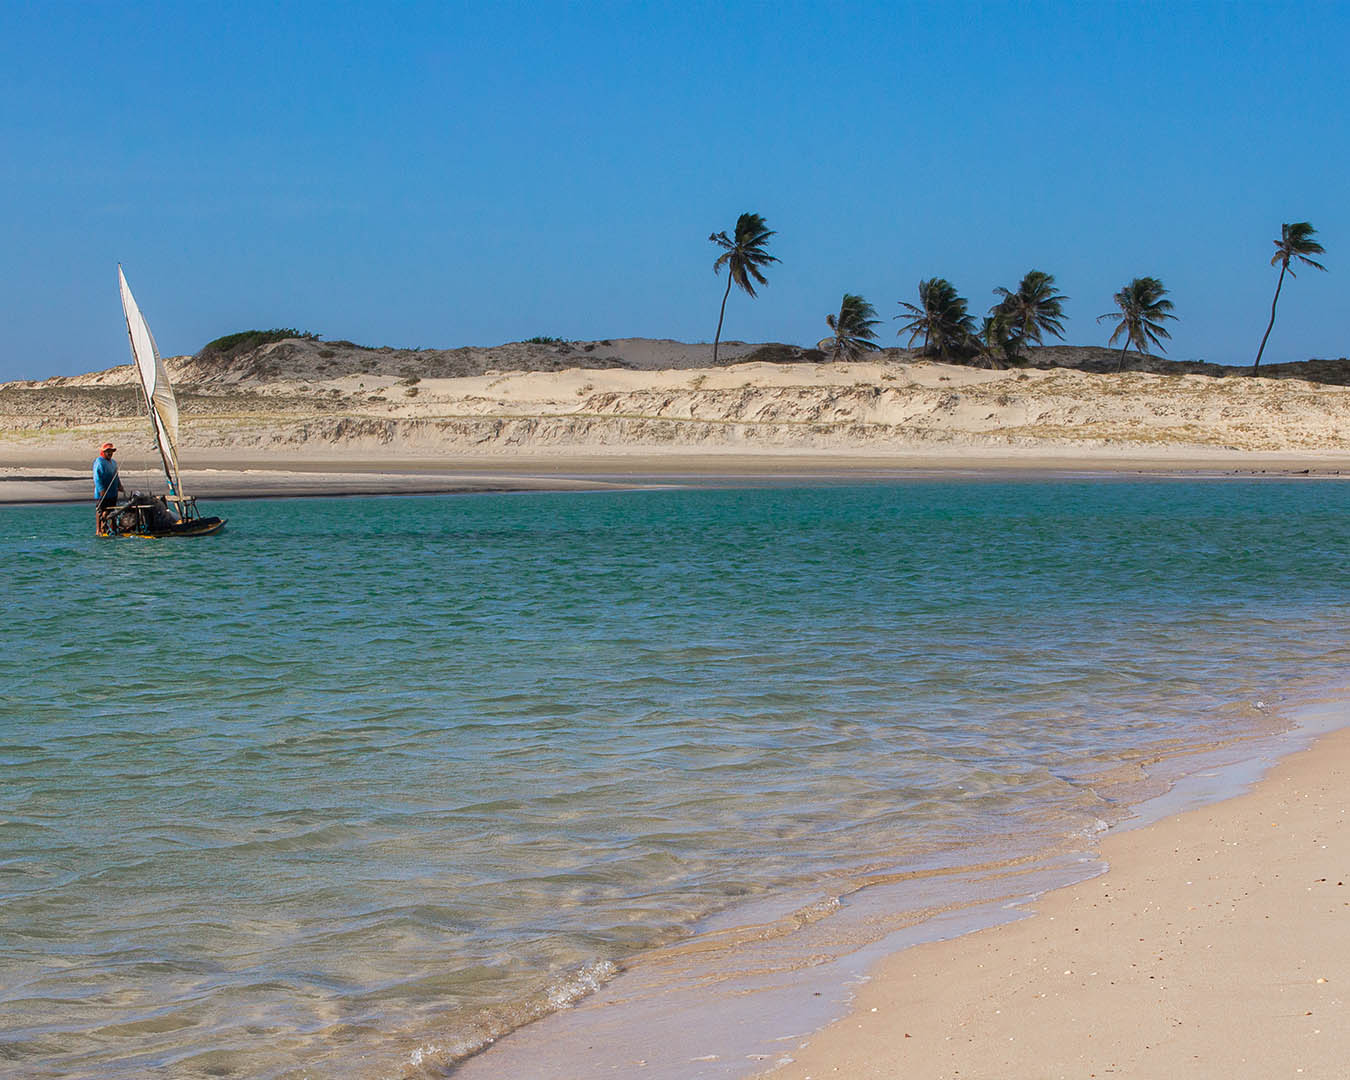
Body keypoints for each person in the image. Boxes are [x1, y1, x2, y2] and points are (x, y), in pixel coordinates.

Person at [93, 442, 120, 532]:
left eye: (111, 451)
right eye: (107, 451)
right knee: (101, 510)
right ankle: (99, 529)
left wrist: (120, 485)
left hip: (113, 492)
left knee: (112, 510)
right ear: (103, 452)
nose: (110, 453)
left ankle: (113, 528)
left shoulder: (113, 463)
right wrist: (101, 489)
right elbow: (97, 477)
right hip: (102, 493)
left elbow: (116, 476)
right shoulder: (99, 462)